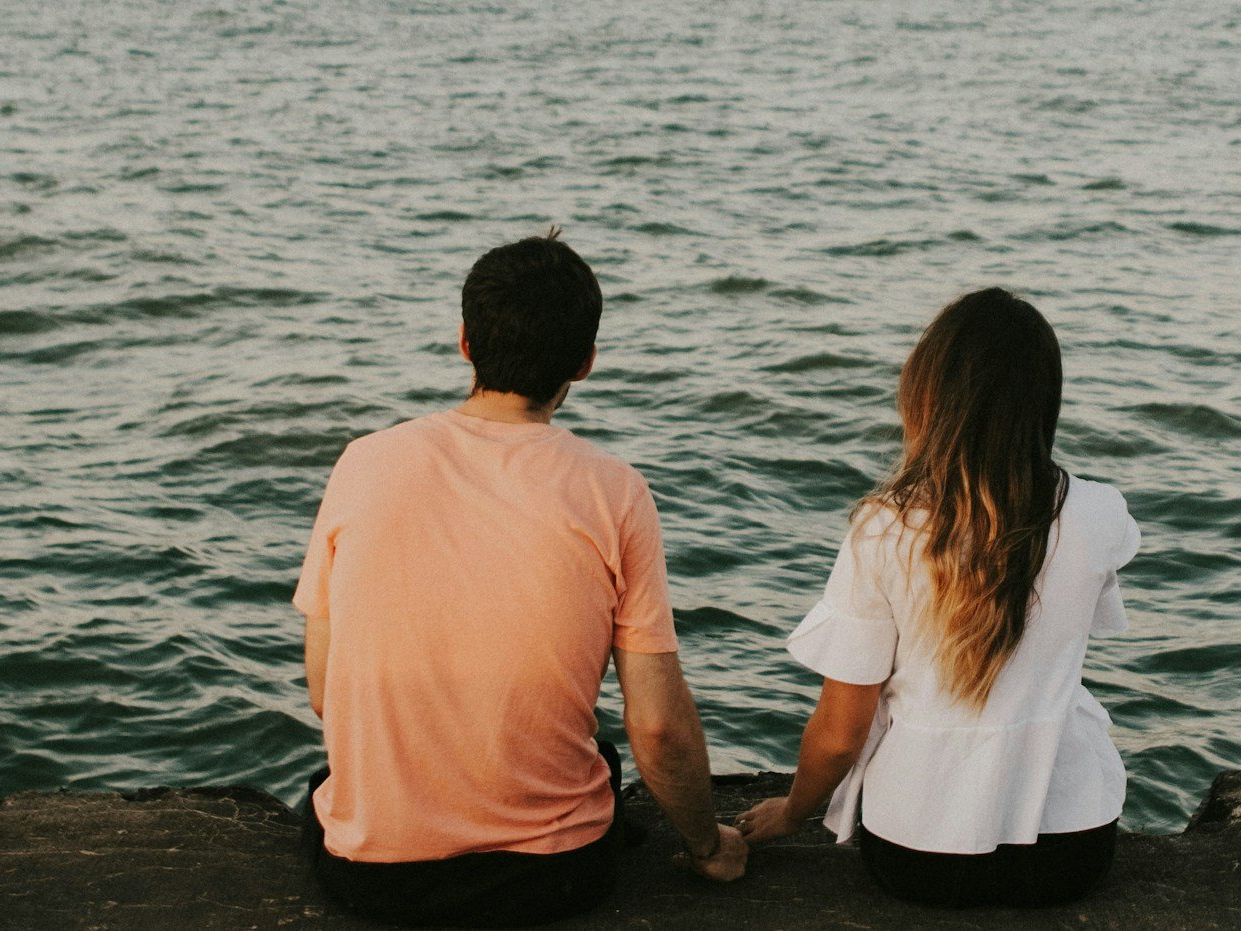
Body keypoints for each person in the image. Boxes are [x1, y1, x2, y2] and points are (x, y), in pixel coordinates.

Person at [293, 229, 748, 927]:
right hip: (552, 877)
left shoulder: (363, 462)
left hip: (374, 878)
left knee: (324, 787)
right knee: (599, 755)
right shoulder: (616, 491)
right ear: (587, 361)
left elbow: (326, 695)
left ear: (465, 342)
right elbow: (655, 726)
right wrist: (709, 845)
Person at [735, 287, 1140, 909]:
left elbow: (843, 730)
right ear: (1043, 400)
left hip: (921, 852)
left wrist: (794, 812)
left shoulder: (885, 528)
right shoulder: (1100, 513)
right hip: (1072, 845)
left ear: (928, 394)